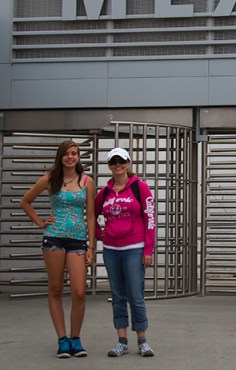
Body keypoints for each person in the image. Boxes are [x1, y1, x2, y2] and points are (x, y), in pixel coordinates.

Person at [19, 139, 96, 358]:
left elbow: (91, 215)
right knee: (55, 289)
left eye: (75, 153)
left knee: (79, 292)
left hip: (78, 241)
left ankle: (75, 338)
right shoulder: (49, 179)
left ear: (79, 157)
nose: (71, 157)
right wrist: (40, 222)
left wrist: (91, 246)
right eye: (67, 153)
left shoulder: (87, 181)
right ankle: (62, 340)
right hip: (54, 239)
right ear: (60, 156)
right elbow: (25, 201)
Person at [95, 147, 156, 357]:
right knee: (117, 296)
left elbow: (151, 220)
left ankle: (142, 340)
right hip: (111, 250)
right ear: (109, 166)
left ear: (128, 164)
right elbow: (92, 214)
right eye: (113, 162)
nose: (117, 165)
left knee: (136, 296)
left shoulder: (141, 188)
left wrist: (148, 249)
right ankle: (121, 341)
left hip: (134, 250)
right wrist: (99, 235)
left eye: (121, 161)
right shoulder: (103, 193)